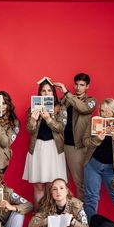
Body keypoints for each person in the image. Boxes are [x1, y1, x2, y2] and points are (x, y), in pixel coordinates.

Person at [22, 79, 68, 209]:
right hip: (37, 148)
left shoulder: (60, 108)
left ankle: (51, 215)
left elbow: (61, 128)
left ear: (53, 93)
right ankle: (38, 217)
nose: (46, 93)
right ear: (39, 93)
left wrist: (48, 118)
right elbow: (29, 129)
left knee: (51, 185)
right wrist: (33, 119)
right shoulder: (33, 107)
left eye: (49, 90)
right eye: (43, 90)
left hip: (54, 148)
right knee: (38, 186)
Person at [54, 73, 96, 200]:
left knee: (80, 184)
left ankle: (81, 215)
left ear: (88, 86)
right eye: (76, 84)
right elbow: (56, 111)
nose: (78, 88)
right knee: (61, 183)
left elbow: (82, 108)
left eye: (82, 85)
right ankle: (64, 212)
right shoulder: (67, 98)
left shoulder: (91, 101)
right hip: (61, 145)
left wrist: (66, 92)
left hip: (77, 147)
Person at [24, 178, 90, 227]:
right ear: (51, 193)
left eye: (61, 188)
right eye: (54, 189)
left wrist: (73, 222)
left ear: (67, 191)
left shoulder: (76, 204)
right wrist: (46, 221)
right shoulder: (47, 204)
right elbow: (31, 225)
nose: (58, 191)